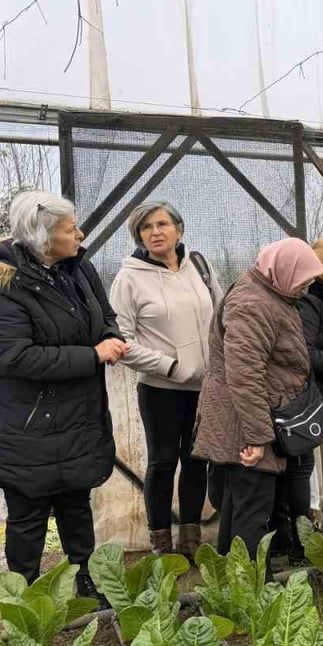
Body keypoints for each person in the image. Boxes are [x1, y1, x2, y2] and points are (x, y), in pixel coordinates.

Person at [0, 190, 128, 600]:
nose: (80, 234)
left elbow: (105, 316)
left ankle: (86, 577)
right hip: (25, 425)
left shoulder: (78, 270)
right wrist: (92, 355)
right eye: (71, 229)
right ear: (43, 237)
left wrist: (110, 337)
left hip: (76, 416)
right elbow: (14, 357)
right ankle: (24, 593)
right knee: (28, 514)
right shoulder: (3, 287)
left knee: (76, 504)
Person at [193, 239, 323, 560]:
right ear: (282, 270)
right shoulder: (253, 304)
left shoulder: (270, 294)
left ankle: (232, 582)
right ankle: (251, 591)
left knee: (241, 506)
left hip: (251, 418)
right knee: (253, 511)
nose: (306, 288)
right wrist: (258, 437)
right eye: (302, 279)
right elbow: (244, 375)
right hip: (244, 423)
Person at [109, 201, 222, 559]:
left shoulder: (199, 267)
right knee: (162, 462)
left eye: (162, 224)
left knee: (196, 461)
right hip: (161, 389)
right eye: (146, 227)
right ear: (139, 237)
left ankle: (191, 541)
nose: (155, 232)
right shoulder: (129, 278)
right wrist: (170, 367)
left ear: (179, 229)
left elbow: (221, 317)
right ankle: (161, 543)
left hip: (204, 387)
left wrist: (220, 366)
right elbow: (120, 341)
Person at [269, 238, 323, 564]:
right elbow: (298, 353)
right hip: (298, 399)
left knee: (292, 469)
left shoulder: (315, 299)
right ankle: (298, 542)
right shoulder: (309, 300)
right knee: (298, 468)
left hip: (303, 395)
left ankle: (284, 539)